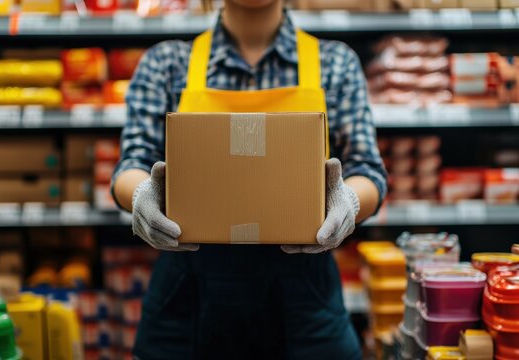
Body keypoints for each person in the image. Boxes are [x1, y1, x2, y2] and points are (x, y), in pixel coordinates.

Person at [111, 0, 387, 358]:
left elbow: (367, 169)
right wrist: (142, 195)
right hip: (190, 291)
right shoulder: (167, 64)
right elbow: (132, 163)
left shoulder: (334, 63)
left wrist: (347, 201)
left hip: (304, 293)